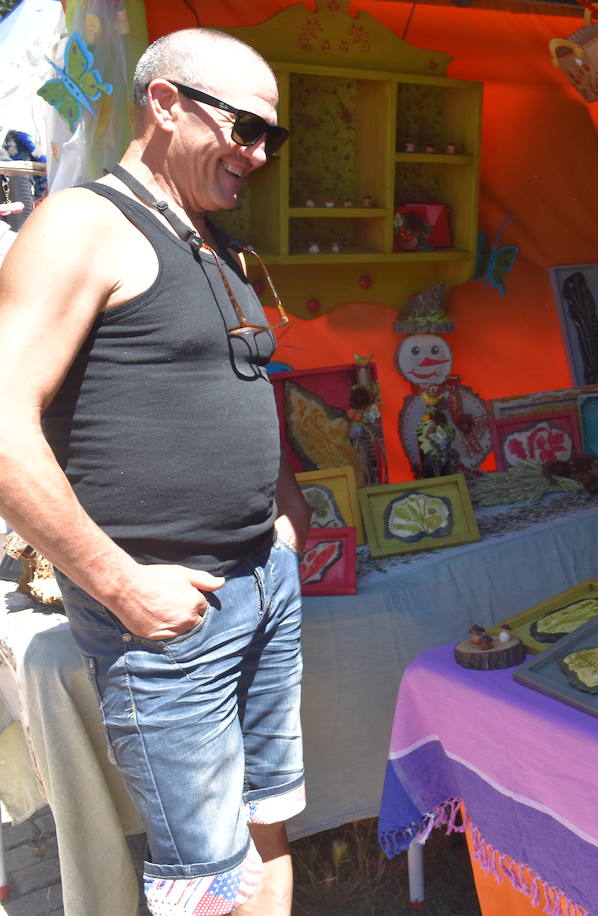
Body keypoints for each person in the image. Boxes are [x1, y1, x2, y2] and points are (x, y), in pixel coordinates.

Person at [0, 28, 307, 916]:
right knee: (207, 876)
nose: (256, 154)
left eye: (270, 139)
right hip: (166, 614)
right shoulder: (83, 223)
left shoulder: (209, 240)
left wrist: (282, 508)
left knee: (268, 821)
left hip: (263, 579)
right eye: (244, 128)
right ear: (165, 103)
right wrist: (117, 583)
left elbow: (239, 380)